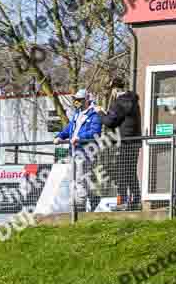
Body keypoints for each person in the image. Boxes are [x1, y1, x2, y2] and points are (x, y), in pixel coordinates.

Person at [95, 77, 142, 210]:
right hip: (135, 141)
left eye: (111, 90)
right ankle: (135, 201)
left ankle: (122, 202)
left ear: (115, 89)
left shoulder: (119, 103)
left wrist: (100, 113)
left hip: (124, 141)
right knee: (131, 171)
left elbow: (110, 122)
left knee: (122, 171)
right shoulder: (133, 100)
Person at [54, 88, 103, 212]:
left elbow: (95, 132)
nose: (77, 102)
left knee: (80, 178)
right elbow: (70, 128)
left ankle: (79, 206)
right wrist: (60, 136)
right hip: (74, 150)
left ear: (86, 100)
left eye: (79, 100)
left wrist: (80, 137)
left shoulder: (94, 114)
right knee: (73, 178)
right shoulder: (77, 114)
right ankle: (92, 198)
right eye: (76, 99)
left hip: (85, 151)